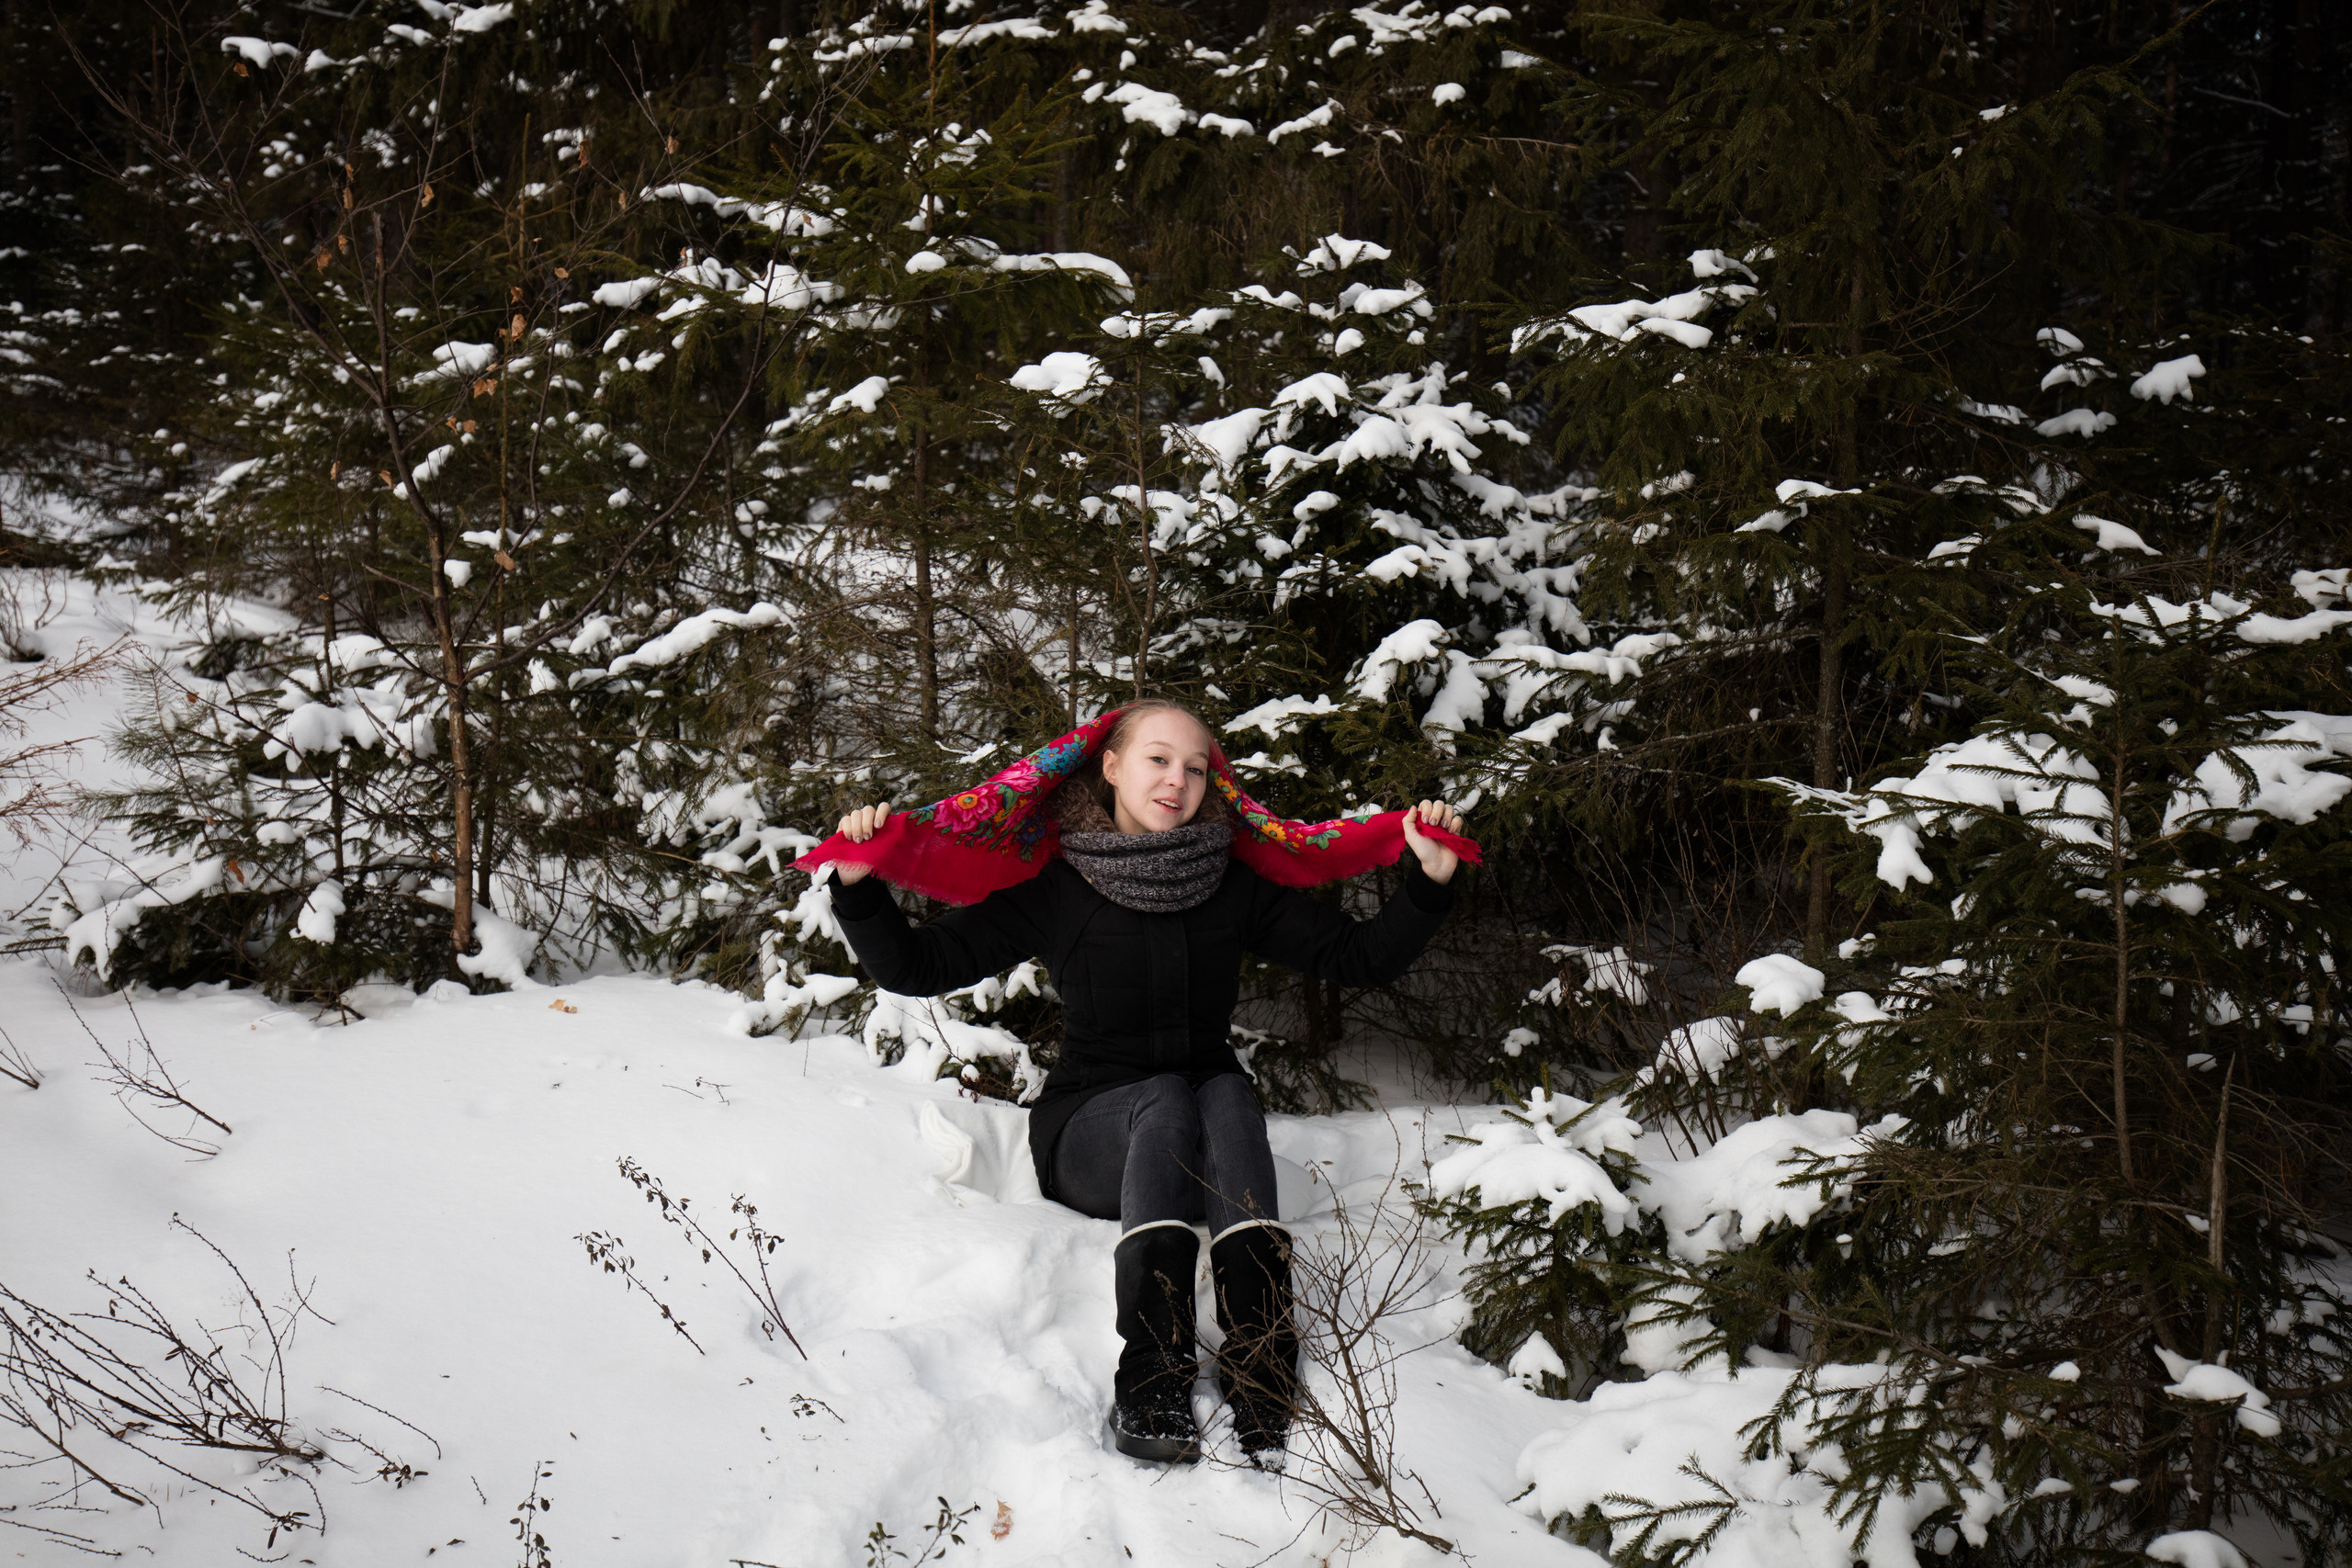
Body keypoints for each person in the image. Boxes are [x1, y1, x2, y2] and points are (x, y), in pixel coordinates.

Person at [820, 699, 1464, 1466]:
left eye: (1196, 767)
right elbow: (916, 967)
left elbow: (1358, 956)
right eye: (1158, 759)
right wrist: (859, 887)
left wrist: (1427, 879)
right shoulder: (1059, 888)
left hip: (1206, 1144)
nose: (1178, 779)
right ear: (1113, 767)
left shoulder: (1228, 884)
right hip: (1089, 1136)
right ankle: (1153, 1369)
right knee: (1167, 1094)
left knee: (1226, 1089)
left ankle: (1261, 1350)